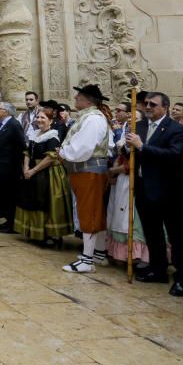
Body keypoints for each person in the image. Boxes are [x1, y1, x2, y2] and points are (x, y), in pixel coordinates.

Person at [125, 91, 183, 296]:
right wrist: (127, 147)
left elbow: (173, 155)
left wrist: (141, 146)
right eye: (145, 104)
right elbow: (134, 152)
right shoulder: (141, 126)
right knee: (152, 232)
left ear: (165, 107)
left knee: (177, 234)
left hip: (170, 190)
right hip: (144, 187)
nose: (147, 107)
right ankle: (158, 268)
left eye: (152, 104)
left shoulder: (177, 129)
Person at [59, 85, 112, 273]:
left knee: (88, 211)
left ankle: (87, 261)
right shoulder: (91, 117)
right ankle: (98, 253)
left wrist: (63, 152)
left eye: (79, 96)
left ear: (88, 101)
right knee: (95, 210)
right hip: (88, 170)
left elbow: (83, 147)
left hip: (88, 170)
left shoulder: (93, 119)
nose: (75, 97)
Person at [14, 110, 73, 246]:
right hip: (33, 172)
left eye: (43, 118)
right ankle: (35, 232)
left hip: (48, 173)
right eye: (38, 117)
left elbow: (50, 157)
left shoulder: (53, 137)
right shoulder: (35, 134)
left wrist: (33, 170)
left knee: (46, 202)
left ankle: (51, 235)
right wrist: (26, 168)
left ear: (51, 121)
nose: (39, 120)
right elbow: (27, 152)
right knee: (32, 201)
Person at [106, 102, 148, 265]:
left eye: (135, 119)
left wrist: (116, 170)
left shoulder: (142, 139)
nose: (132, 121)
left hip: (133, 180)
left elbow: (133, 163)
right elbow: (121, 156)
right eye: (130, 118)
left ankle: (138, 254)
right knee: (118, 215)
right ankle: (120, 253)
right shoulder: (126, 137)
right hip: (121, 181)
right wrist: (114, 170)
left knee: (131, 218)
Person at [0, 102, 25, 233]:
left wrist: (14, 163)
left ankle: (13, 223)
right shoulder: (3, 124)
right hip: (0, 166)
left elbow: (21, 145)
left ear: (7, 112)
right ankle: (8, 220)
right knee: (3, 196)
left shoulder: (14, 125)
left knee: (10, 196)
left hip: (9, 167)